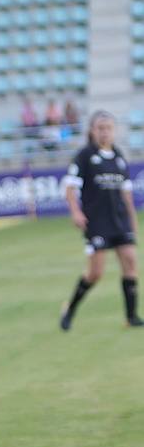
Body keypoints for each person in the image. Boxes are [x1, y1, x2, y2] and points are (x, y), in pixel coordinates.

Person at [60, 112, 142, 330]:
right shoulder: (85, 156)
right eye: (101, 128)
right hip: (97, 223)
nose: (105, 132)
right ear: (92, 131)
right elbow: (69, 187)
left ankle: (132, 317)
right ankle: (69, 309)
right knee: (95, 273)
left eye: (109, 128)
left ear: (114, 131)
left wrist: (132, 222)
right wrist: (76, 212)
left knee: (131, 262)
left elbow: (126, 195)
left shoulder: (118, 157)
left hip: (120, 221)